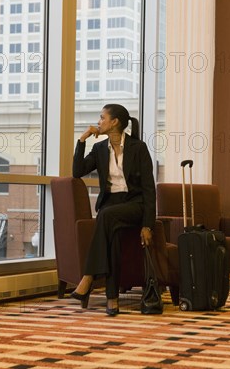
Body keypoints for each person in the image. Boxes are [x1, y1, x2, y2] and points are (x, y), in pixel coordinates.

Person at [70, 103, 155, 316]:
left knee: (105, 216)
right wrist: (82, 140)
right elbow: (78, 171)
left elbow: (148, 189)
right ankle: (112, 298)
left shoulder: (138, 147)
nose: (98, 122)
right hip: (111, 205)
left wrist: (147, 224)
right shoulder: (99, 149)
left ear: (114, 121)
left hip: (134, 204)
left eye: (102, 118)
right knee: (113, 236)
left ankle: (88, 276)